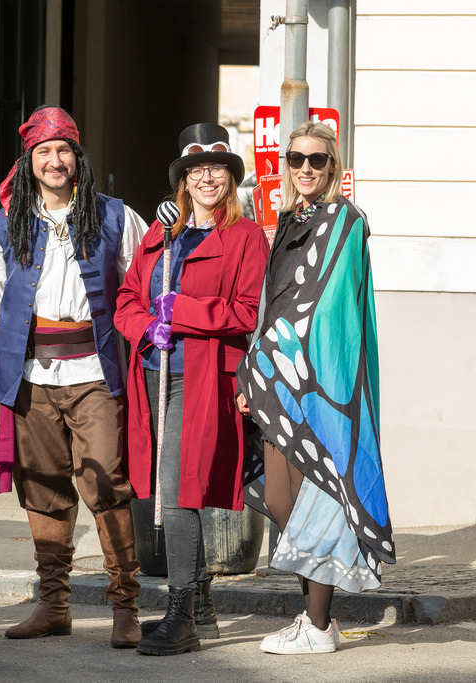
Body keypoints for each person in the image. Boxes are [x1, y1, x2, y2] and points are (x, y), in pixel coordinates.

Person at [0, 105, 149, 648]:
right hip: (29, 378)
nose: (54, 160)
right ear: (29, 162)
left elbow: (145, 283)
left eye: (63, 150)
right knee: (42, 489)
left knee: (106, 484)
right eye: (43, 152)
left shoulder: (116, 216)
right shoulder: (4, 225)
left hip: (96, 373)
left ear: (78, 159)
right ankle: (53, 605)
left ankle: (125, 605)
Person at [235, 121, 395, 654]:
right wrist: (254, 374)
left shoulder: (346, 221)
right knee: (283, 501)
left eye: (317, 160)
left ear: (334, 167)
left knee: (317, 499)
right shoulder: (288, 220)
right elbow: (271, 304)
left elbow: (325, 310)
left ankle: (319, 624)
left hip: (314, 385)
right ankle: (316, 620)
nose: (306, 168)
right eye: (296, 158)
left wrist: (282, 367)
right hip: (275, 379)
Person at [114, 123, 270, 656]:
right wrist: (143, 326)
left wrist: (179, 313)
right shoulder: (163, 234)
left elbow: (247, 313)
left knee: (181, 489)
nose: (207, 178)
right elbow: (127, 299)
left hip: (204, 376)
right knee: (166, 487)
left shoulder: (246, 238)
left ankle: (181, 611)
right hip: (155, 373)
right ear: (183, 179)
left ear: (230, 178)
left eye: (218, 169)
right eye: (196, 170)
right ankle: (201, 609)